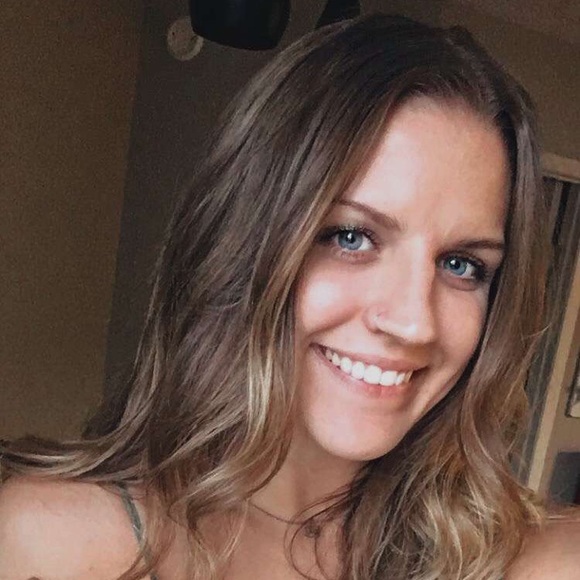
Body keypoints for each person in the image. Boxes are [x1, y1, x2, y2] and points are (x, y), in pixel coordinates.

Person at [0, 12, 579, 580]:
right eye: (351, 237)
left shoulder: (534, 557)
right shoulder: (58, 543)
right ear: (242, 246)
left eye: (461, 265)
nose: (413, 322)